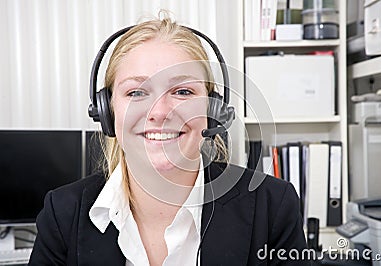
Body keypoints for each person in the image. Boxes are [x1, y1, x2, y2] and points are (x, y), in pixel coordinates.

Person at [29, 14, 309, 266]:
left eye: (183, 92)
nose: (160, 112)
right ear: (107, 111)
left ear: (213, 110)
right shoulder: (62, 213)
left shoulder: (273, 205)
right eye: (137, 92)